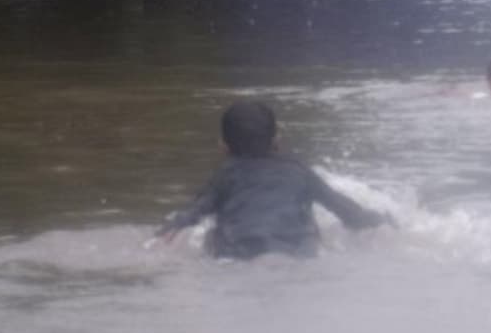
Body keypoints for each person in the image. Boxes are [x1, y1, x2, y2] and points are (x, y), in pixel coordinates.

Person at [157, 100, 388, 259]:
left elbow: (191, 215)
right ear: (277, 140)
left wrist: (166, 231)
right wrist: (385, 221)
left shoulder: (224, 176)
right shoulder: (299, 172)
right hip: (297, 253)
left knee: (208, 237)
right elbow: (349, 213)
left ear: (223, 146)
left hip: (238, 254)